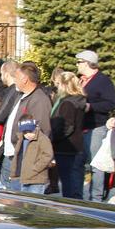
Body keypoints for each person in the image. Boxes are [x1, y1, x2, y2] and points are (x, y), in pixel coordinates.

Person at [76, 50, 115, 201]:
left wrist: (91, 106)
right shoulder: (80, 80)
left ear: (88, 63)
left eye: (79, 62)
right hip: (80, 128)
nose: (77, 65)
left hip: (95, 127)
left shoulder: (102, 81)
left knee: (96, 165)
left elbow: (111, 103)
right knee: (80, 163)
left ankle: (96, 198)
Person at [49, 71, 87, 199]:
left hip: (67, 149)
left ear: (64, 85)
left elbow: (67, 126)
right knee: (75, 184)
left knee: (69, 185)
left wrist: (54, 137)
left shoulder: (67, 103)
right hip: (77, 147)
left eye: (59, 84)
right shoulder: (79, 101)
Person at [10, 117, 53, 194]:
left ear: (36, 128)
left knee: (34, 202)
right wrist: (14, 172)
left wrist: (35, 168)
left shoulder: (43, 139)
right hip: (23, 177)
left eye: (30, 131)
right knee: (22, 202)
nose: (28, 134)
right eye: (25, 132)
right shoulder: (21, 140)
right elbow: (17, 157)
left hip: (37, 179)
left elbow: (48, 155)